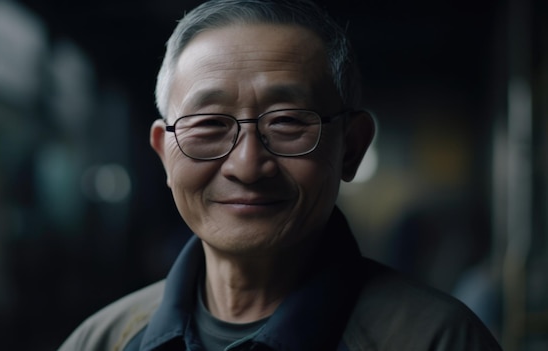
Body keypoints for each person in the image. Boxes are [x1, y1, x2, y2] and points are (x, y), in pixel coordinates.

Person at [59, 0, 502, 350]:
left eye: (288, 123)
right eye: (210, 125)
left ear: (351, 147)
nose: (248, 166)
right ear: (163, 154)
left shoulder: (437, 340)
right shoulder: (101, 342)